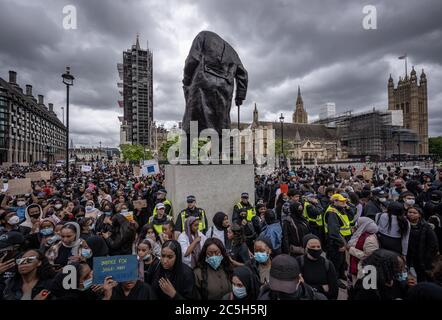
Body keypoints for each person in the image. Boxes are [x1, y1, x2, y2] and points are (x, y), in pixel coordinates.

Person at [258, 254, 327, 300]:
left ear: (300, 279)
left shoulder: (318, 298)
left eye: (287, 285)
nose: (283, 289)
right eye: (279, 284)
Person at [297, 234, 338, 300]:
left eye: (318, 246)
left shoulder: (327, 264)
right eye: (312, 246)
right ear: (305, 248)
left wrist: (307, 286)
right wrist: (321, 288)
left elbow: (334, 289)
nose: (316, 249)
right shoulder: (299, 261)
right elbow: (298, 287)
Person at [324, 194, 352, 286]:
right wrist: (340, 244)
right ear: (335, 201)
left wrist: (347, 207)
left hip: (342, 240)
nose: (344, 202)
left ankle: (341, 274)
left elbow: (351, 216)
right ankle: (335, 280)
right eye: (341, 201)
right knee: (335, 262)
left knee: (341, 261)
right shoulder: (332, 212)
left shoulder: (340, 209)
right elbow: (333, 232)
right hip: (335, 242)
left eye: (345, 200)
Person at [406, 206, 439, 282]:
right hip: (408, 255)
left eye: (414, 213)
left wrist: (428, 256)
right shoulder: (404, 224)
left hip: (422, 257)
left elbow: (433, 243)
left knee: (422, 275)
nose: (411, 214)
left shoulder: (426, 227)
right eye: (409, 212)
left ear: (419, 215)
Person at [347, 217, 379, 285]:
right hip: (355, 265)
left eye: (358, 224)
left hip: (362, 269)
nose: (356, 226)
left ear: (364, 225)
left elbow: (368, 256)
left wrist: (350, 249)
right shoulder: (362, 233)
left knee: (357, 288)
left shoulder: (370, 239)